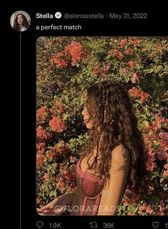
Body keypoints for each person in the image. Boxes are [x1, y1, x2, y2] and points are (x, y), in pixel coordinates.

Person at [37, 81, 146, 216]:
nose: (83, 112)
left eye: (89, 107)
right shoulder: (97, 143)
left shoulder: (118, 154)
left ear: (106, 111)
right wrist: (63, 201)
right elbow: (86, 197)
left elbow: (106, 212)